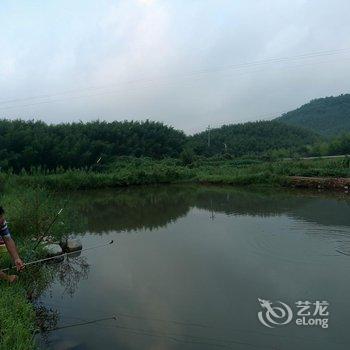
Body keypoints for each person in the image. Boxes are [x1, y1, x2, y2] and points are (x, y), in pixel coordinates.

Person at [0, 206, 25, 283]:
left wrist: (16, 258)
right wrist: (7, 278)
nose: (1, 223)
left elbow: (7, 239)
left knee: (3, 246)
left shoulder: (1, 221)